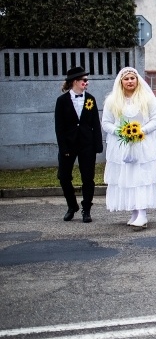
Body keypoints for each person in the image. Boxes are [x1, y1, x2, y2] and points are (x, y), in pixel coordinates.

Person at [102, 67, 156, 230]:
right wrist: (121, 132)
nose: (130, 81)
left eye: (132, 78)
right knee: (128, 178)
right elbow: (106, 123)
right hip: (121, 146)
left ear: (137, 80)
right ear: (121, 81)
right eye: (126, 79)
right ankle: (134, 212)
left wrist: (140, 131)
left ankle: (142, 213)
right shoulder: (112, 100)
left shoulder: (147, 98)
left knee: (140, 178)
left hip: (142, 145)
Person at [54, 66, 103, 223]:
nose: (86, 83)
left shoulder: (90, 99)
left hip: (87, 145)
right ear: (75, 81)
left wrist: (97, 144)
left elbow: (96, 123)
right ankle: (72, 206)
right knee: (63, 176)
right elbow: (59, 127)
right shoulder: (61, 101)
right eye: (84, 80)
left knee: (88, 178)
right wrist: (63, 147)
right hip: (68, 145)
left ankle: (86, 209)